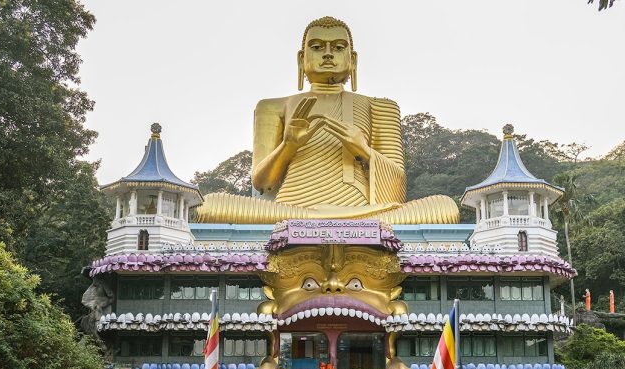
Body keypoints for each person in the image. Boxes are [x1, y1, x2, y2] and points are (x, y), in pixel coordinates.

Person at [194, 16, 459, 224]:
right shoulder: (272, 107)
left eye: (339, 47)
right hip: (292, 210)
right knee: (210, 206)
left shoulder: (380, 106)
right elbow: (262, 183)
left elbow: (397, 186)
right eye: (318, 47)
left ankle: (331, 223)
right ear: (301, 58)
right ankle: (326, 223)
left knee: (445, 208)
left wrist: (364, 151)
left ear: (352, 60)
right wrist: (288, 145)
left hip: (364, 212)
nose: (328, 54)